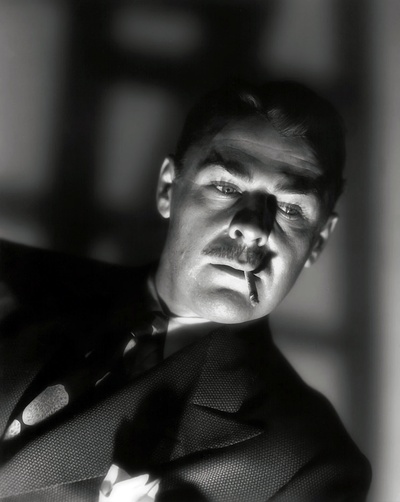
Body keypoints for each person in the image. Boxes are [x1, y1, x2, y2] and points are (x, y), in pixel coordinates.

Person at [0, 81, 371, 501]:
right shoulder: (14, 279)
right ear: (167, 189)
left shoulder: (311, 464)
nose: (252, 227)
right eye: (226, 187)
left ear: (319, 239)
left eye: (289, 208)